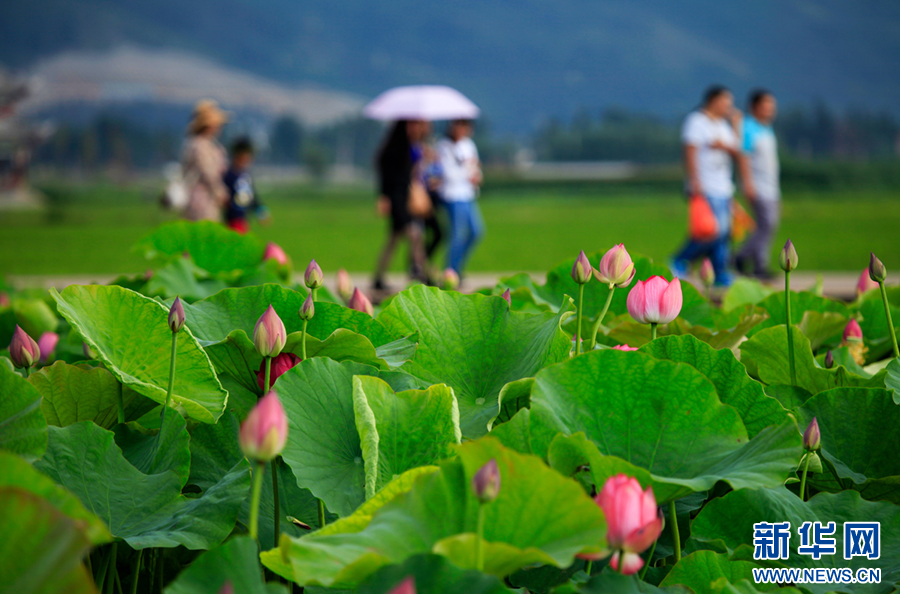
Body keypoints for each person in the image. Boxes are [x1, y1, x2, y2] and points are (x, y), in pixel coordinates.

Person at [670, 86, 748, 287]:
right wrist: (694, 181)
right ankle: (680, 260)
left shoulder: (722, 124)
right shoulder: (697, 121)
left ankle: (718, 273)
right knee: (711, 230)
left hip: (723, 187)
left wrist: (736, 124)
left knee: (724, 234)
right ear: (713, 101)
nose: (728, 107)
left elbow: (737, 150)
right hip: (705, 186)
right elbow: (690, 150)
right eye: (725, 103)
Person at [372, 120, 431, 291]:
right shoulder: (393, 149)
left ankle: (379, 276)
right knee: (414, 233)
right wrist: (383, 196)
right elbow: (385, 174)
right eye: (410, 125)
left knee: (394, 239)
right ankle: (422, 275)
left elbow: (413, 172)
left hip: (405, 197)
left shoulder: (411, 147)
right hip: (395, 197)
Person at [734, 89, 780, 279]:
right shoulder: (748, 127)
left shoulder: (766, 128)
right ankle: (741, 257)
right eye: (765, 107)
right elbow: (743, 156)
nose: (769, 111)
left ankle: (759, 262)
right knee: (766, 224)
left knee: (769, 225)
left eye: (771, 108)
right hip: (758, 185)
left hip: (772, 185)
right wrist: (747, 183)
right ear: (754, 107)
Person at [437, 119, 484, 278]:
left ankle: (456, 267)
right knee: (457, 235)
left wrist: (477, 176)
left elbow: (475, 168)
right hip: (452, 195)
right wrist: (467, 171)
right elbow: (448, 174)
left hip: (468, 194)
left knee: (476, 231)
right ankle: (451, 271)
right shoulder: (444, 146)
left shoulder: (468, 145)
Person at [182, 100, 229, 222]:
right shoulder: (200, 145)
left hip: (203, 198)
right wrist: (221, 193)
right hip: (202, 199)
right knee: (204, 235)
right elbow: (209, 173)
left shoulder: (199, 143)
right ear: (210, 126)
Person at [223, 137, 270, 234]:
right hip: (232, 218)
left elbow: (252, 197)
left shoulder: (245, 176)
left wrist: (260, 210)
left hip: (243, 218)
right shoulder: (229, 176)